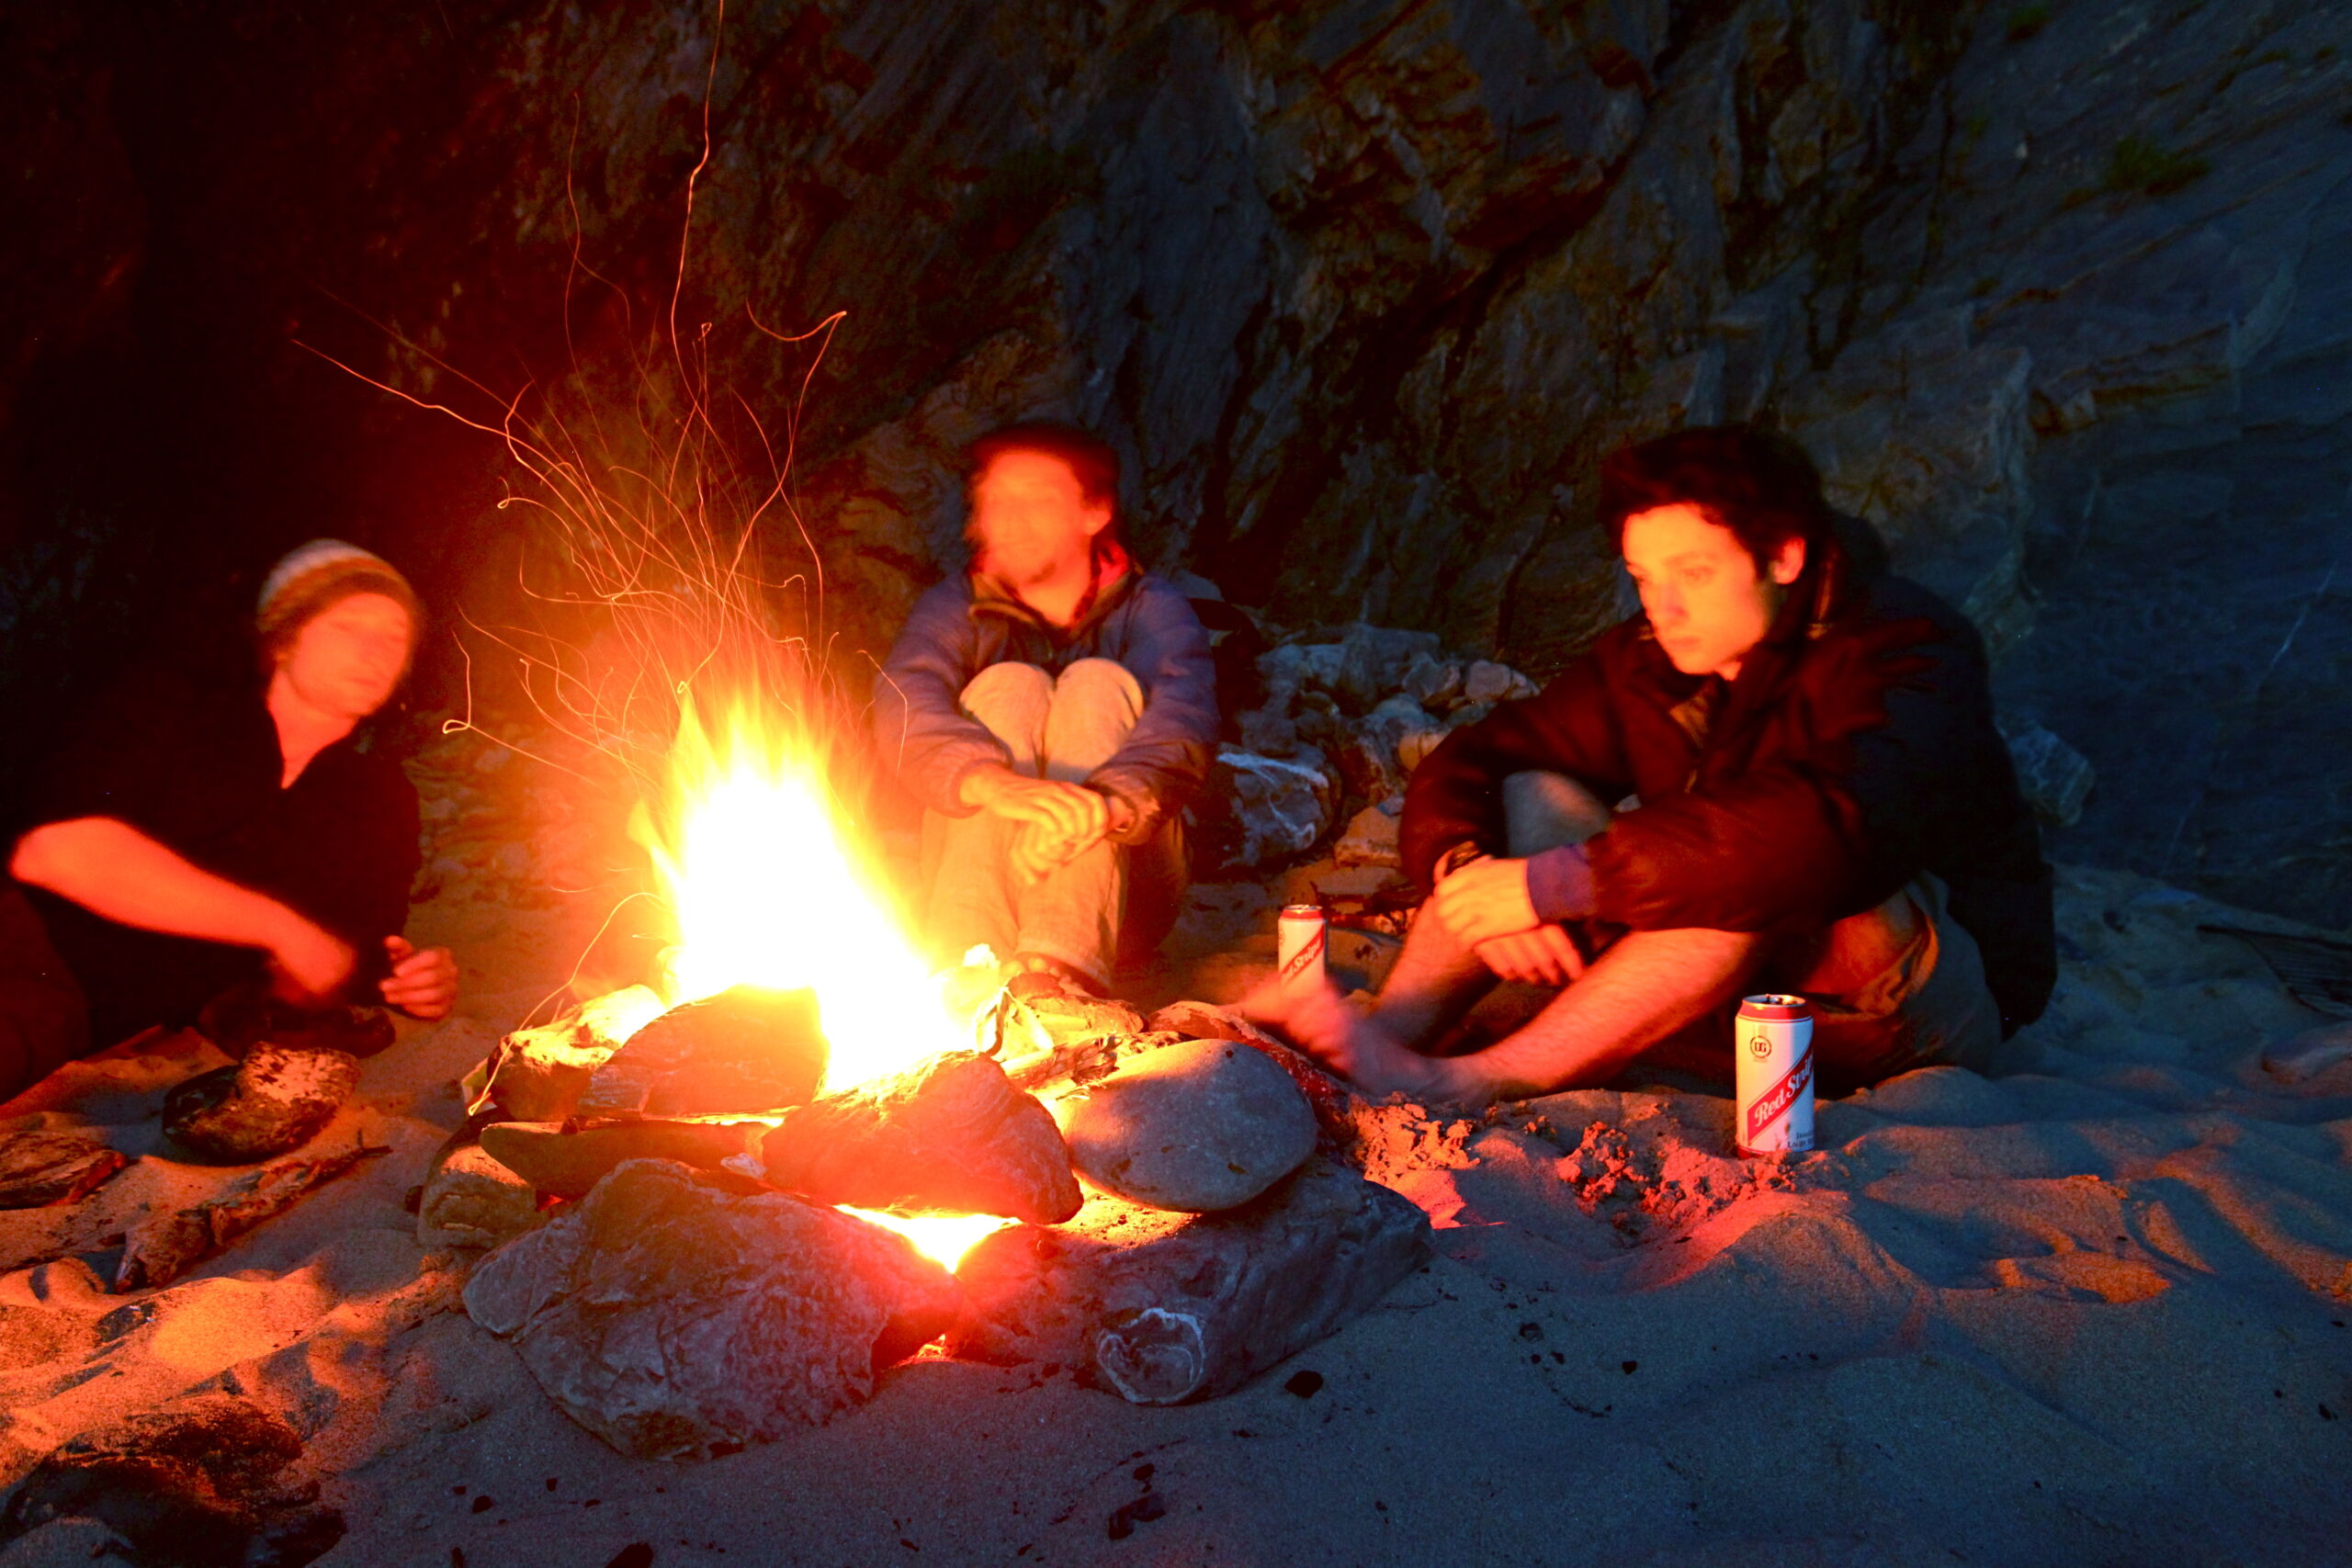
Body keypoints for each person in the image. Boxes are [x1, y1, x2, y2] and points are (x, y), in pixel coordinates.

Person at [1257, 425, 2054, 1107]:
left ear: (1782, 555)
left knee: (1741, 865)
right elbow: (1488, 752)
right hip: (1736, 989)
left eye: (1694, 574)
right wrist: (1468, 868)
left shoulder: (1908, 648)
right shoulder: (1658, 656)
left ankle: (1470, 1081)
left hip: (1915, 1006)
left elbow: (1827, 830)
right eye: (1644, 577)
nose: (1661, 606)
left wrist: (1550, 884)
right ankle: (1382, 1037)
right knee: (1535, 790)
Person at [0, 540, 459, 1099]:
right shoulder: (171, 708)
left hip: (126, 1028)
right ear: (284, 638)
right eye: (347, 627)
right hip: (33, 950)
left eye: (393, 638)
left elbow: (355, 950)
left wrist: (413, 981)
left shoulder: (378, 795)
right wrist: (277, 926)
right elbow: (56, 851)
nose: (373, 652)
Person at [874, 423, 1217, 995]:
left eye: (1037, 502)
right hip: (976, 875)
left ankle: (1061, 966)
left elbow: (1183, 724)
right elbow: (903, 703)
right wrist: (990, 782)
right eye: (997, 502)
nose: (1012, 522)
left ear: (1094, 512)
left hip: (1123, 896)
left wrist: (1102, 804)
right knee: (1008, 684)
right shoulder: (955, 607)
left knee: (1096, 684)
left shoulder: (1154, 610)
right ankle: (970, 959)